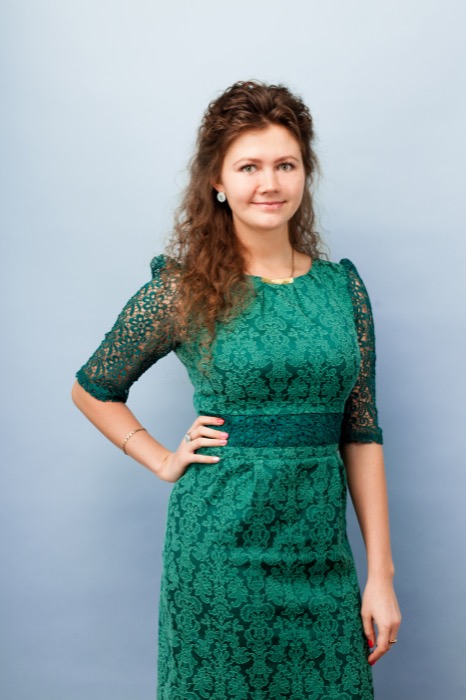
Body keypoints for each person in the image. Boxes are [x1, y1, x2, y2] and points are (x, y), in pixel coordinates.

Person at [72, 80, 401, 699]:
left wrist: (380, 575)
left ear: (305, 174)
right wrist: (162, 459)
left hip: (322, 558)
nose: (269, 183)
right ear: (217, 182)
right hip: (218, 556)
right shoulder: (184, 289)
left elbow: (361, 432)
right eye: (249, 167)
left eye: (286, 165)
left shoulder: (342, 290)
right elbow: (93, 388)